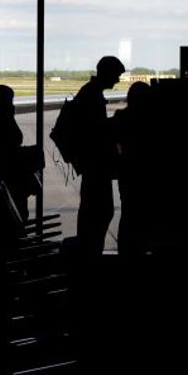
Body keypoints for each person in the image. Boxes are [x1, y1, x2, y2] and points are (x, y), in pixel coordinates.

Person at [74, 56, 125, 262]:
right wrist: (116, 122)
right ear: (108, 73)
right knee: (99, 213)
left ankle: (89, 257)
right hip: (95, 168)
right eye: (117, 75)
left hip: (92, 168)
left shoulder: (90, 92)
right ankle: (90, 259)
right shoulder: (92, 96)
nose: (118, 81)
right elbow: (95, 132)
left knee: (95, 212)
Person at [111, 81, 153, 261]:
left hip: (127, 173)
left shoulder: (121, 116)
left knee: (128, 214)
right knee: (143, 216)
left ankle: (126, 255)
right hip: (146, 175)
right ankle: (140, 252)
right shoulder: (151, 120)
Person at [0, 84, 35, 222]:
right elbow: (17, 138)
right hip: (11, 169)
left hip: (4, 167)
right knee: (19, 210)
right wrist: (11, 115)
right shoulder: (3, 120)